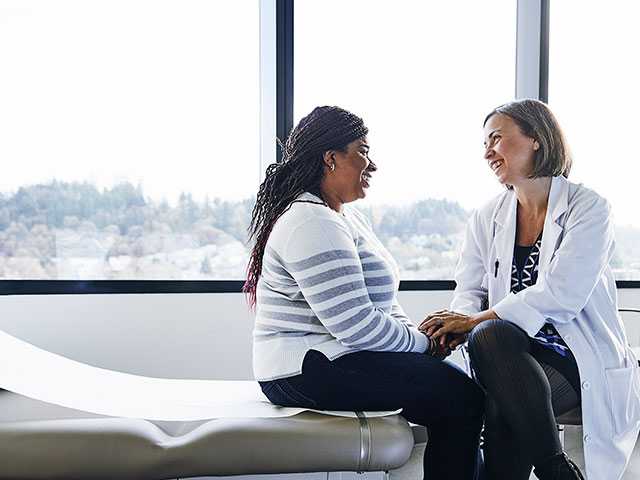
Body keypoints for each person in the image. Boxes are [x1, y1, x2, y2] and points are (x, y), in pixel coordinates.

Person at [245, 106, 484, 479]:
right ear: (331, 158)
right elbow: (356, 327)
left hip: (335, 356)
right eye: (363, 151)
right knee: (461, 398)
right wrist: (424, 344)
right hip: (302, 368)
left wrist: (427, 343)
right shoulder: (312, 221)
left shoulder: (342, 216)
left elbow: (382, 306)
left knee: (456, 388)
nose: (372, 164)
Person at [420, 99, 640, 480]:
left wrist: (471, 321)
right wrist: (456, 322)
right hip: (507, 354)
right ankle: (556, 470)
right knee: (495, 347)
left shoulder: (588, 207)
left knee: (501, 388)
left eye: (497, 139)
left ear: (536, 139)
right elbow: (469, 289)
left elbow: (563, 294)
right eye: (485, 143)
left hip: (573, 354)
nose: (487, 151)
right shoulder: (487, 216)